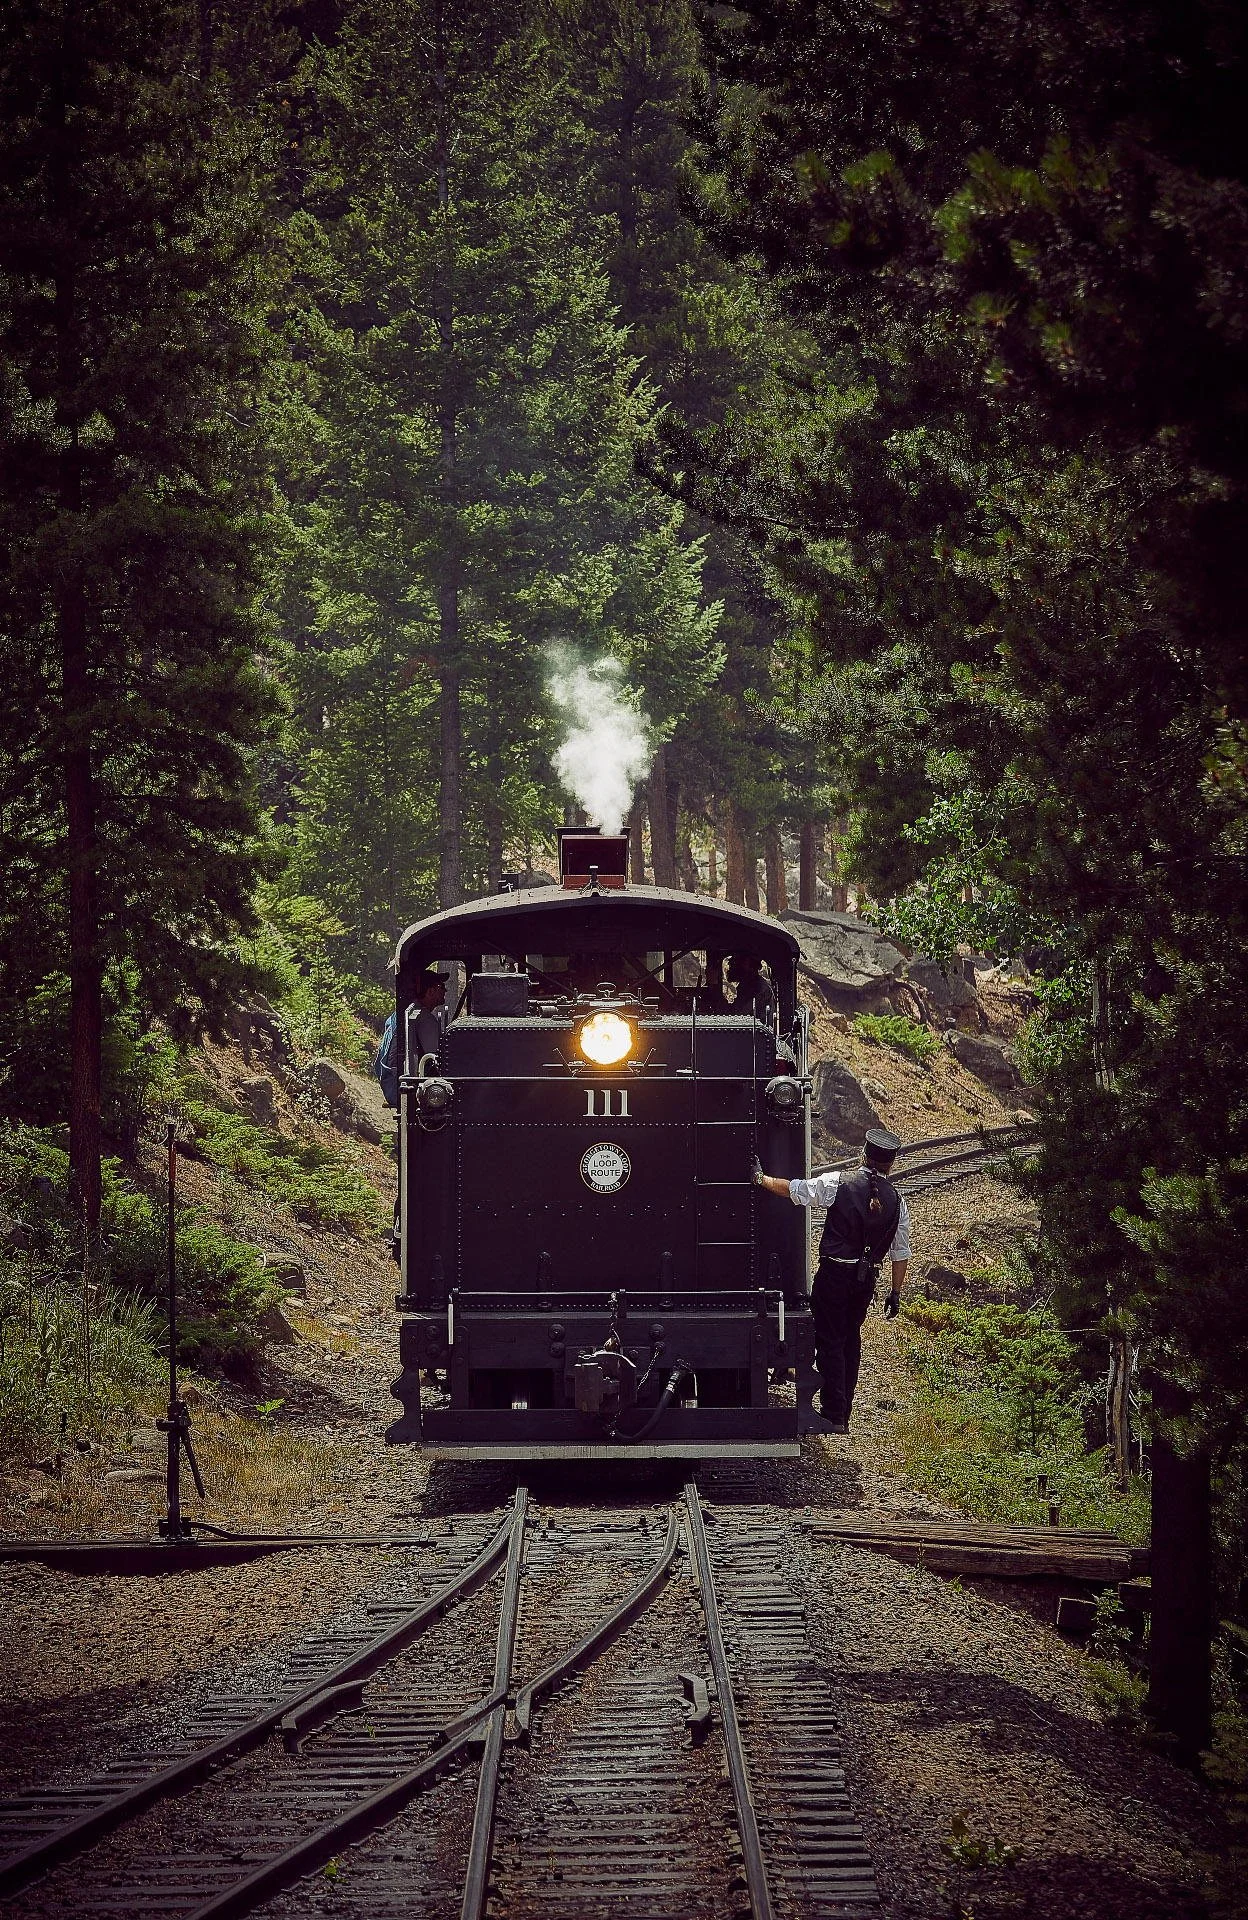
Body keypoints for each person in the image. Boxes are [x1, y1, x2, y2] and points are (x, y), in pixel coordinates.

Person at [754, 1127, 910, 1434]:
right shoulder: (897, 1202)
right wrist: (895, 1292)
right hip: (864, 1282)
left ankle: (833, 1414)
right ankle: (842, 1412)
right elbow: (900, 1253)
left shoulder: (839, 1183)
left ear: (864, 1155)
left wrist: (761, 1179)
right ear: (890, 1164)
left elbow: (795, 1190)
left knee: (830, 1341)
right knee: (851, 1340)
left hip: (834, 1276)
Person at [375, 968, 448, 1108]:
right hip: (406, 1088)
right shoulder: (424, 1019)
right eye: (441, 986)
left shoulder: (398, 1015)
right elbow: (437, 1058)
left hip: (391, 1084)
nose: (445, 990)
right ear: (430, 991)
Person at [727, 954, 775, 1023]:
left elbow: (739, 1015)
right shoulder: (746, 985)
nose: (730, 966)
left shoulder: (758, 988)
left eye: (736, 962)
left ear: (750, 966)